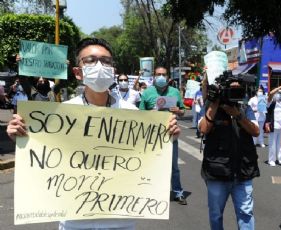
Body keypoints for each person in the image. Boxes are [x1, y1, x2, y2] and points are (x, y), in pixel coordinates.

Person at [6, 37, 181, 230]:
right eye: (90, 60)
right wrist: (21, 135)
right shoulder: (59, 115)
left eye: (106, 61)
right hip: (74, 222)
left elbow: (150, 158)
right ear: (77, 72)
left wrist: (168, 134)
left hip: (120, 222)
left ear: (113, 70)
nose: (99, 66)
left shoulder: (134, 115)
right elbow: (41, 155)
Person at [198, 80, 260, 230]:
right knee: (216, 214)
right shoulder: (210, 106)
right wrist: (215, 103)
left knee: (246, 214)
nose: (234, 93)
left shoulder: (245, 107)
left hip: (243, 172)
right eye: (231, 89)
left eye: (238, 90)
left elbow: (256, 131)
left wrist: (238, 115)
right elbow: (203, 129)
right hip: (217, 172)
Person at [139, 66, 187, 205]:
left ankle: (178, 192)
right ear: (154, 76)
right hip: (152, 135)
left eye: (163, 74)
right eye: (158, 74)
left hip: (171, 133)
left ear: (168, 77)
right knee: (152, 165)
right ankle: (152, 192)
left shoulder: (175, 92)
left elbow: (183, 111)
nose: (161, 77)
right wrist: (150, 113)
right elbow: (140, 114)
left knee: (174, 166)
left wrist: (178, 110)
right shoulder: (148, 93)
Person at [265, 83, 281, 166]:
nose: (278, 94)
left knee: (280, 144)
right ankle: (271, 160)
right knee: (272, 144)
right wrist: (280, 87)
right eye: (277, 93)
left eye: (280, 93)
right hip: (273, 126)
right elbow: (271, 93)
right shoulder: (270, 102)